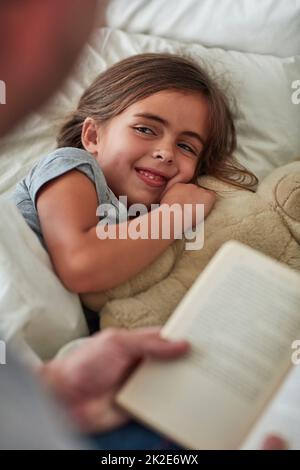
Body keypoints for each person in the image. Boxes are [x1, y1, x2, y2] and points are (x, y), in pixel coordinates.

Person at [0, 0, 287, 450]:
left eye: (188, 147)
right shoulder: (72, 168)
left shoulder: (146, 224)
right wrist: (178, 214)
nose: (167, 152)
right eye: (148, 130)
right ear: (93, 136)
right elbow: (80, 264)